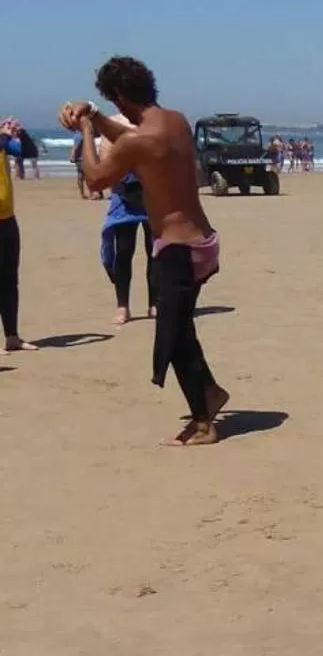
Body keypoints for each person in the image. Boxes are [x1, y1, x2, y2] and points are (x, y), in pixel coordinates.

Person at [61, 57, 230, 445]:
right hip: (201, 241)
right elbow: (132, 139)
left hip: (178, 250)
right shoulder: (175, 121)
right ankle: (210, 393)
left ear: (120, 96)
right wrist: (95, 115)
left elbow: (96, 177)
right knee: (181, 329)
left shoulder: (138, 142)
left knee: (173, 337)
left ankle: (203, 423)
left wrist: (86, 130)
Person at [100, 144, 156, 325]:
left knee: (155, 251)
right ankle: (122, 306)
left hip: (152, 192)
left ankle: (154, 303)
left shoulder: (150, 128)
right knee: (124, 251)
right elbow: (106, 160)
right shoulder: (113, 131)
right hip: (124, 196)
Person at [0, 117, 37, 351]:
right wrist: (4, 135)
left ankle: (12, 336)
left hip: (7, 219)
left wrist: (20, 133)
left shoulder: (3, 142)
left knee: (9, 279)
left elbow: (28, 152)